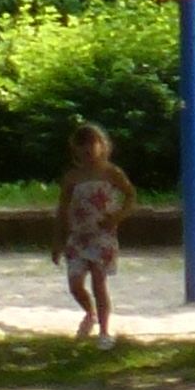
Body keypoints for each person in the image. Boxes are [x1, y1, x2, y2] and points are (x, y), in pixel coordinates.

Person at [54, 122, 136, 345]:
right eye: (82, 146)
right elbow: (62, 209)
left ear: (102, 145)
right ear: (76, 150)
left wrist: (117, 217)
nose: (88, 150)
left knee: (99, 283)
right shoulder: (72, 177)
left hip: (102, 237)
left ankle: (104, 331)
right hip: (78, 237)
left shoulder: (112, 173)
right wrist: (57, 240)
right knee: (75, 284)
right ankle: (89, 313)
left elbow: (130, 196)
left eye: (92, 144)